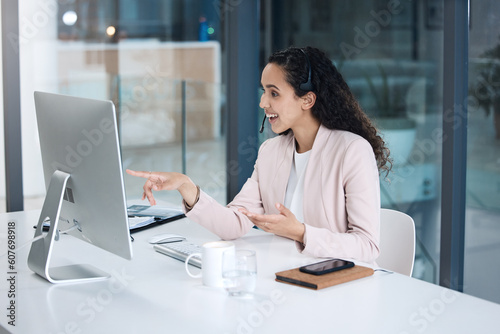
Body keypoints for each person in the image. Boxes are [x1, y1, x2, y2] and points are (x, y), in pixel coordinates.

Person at [127, 46, 391, 263]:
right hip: (284, 276)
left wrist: (300, 232)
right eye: (264, 91)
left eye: (273, 93)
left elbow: (367, 246)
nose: (263, 102)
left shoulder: (351, 151)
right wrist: (187, 187)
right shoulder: (271, 152)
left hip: (337, 287)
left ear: (307, 100)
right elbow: (233, 225)